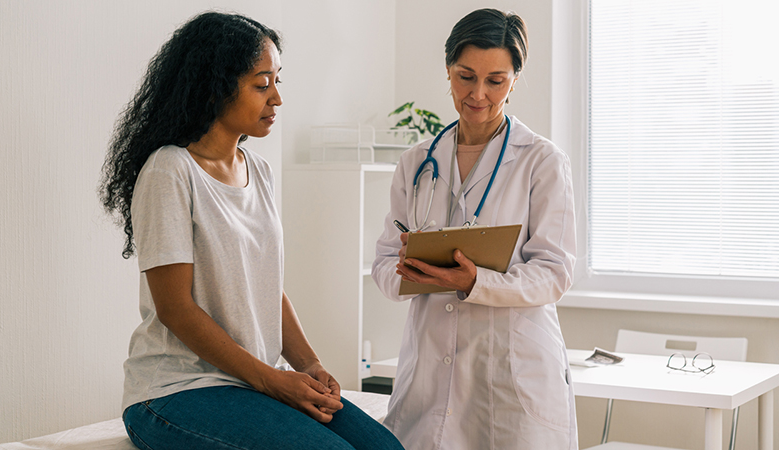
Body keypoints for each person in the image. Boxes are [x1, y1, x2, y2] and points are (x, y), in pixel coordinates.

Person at [99, 12, 403, 450]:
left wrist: (309, 364)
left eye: (278, 81)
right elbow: (175, 309)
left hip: (249, 383)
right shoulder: (170, 170)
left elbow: (268, 288)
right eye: (262, 84)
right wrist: (274, 381)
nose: (276, 98)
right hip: (175, 393)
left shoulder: (258, 171)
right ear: (216, 87)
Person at [372, 8, 578, 450]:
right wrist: (410, 272)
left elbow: (555, 272)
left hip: (511, 371)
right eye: (466, 77)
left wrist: (476, 282)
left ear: (515, 79)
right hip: (429, 370)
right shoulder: (417, 162)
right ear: (448, 71)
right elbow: (385, 263)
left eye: (495, 80)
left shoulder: (541, 161)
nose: (478, 94)